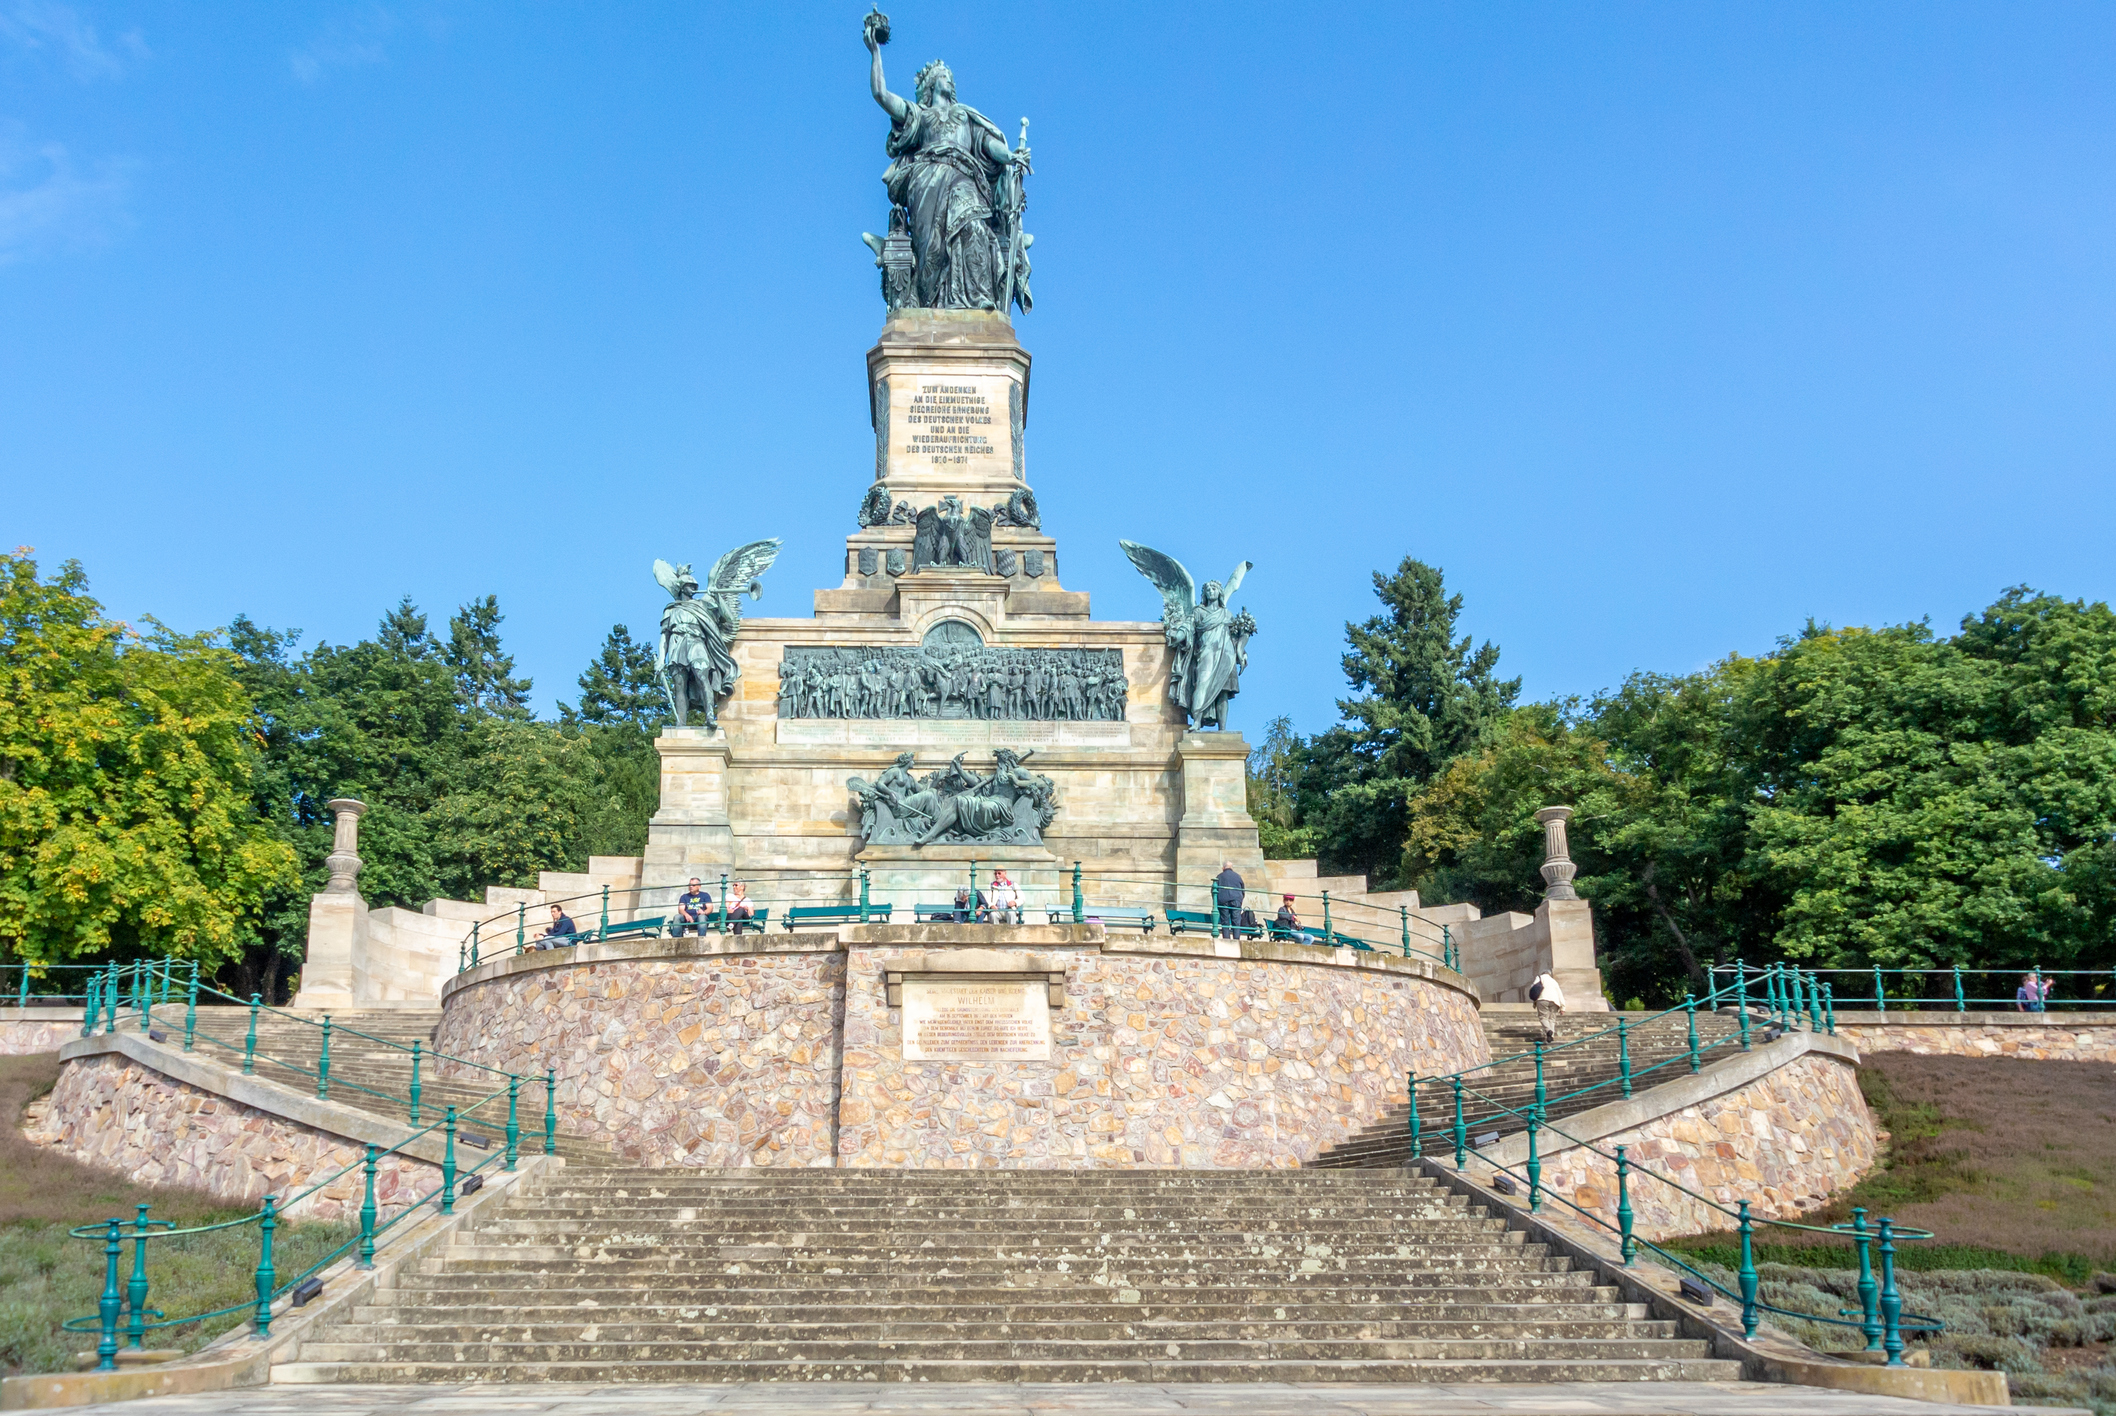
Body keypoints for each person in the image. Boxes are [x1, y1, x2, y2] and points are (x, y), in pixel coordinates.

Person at [1530, 969, 1566, 1042]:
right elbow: (1559, 993)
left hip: (1542, 999)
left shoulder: (1540, 978)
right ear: (1549, 974)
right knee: (1552, 1019)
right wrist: (1563, 1007)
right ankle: (1551, 1036)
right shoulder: (1554, 981)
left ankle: (1548, 1030)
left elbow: (1533, 987)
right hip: (1555, 1001)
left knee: (1543, 1017)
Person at [1213, 862, 1246, 939]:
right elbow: (1243, 890)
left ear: (1223, 868)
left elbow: (1214, 891)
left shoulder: (1219, 877)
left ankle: (1226, 939)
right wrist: (1240, 899)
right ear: (1232, 867)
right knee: (1236, 921)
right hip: (1236, 900)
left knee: (1225, 921)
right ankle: (1236, 939)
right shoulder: (1238, 876)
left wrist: (1217, 902)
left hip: (1223, 901)